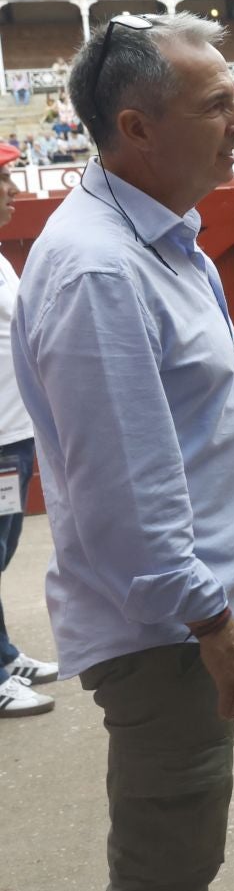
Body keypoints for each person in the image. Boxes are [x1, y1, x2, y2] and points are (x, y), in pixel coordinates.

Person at [13, 11, 234, 891]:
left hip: (172, 623)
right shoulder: (100, 269)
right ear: (136, 127)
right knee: (165, 868)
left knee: (178, 853)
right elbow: (122, 493)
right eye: (217, 105)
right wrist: (210, 620)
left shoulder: (154, 237)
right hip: (165, 633)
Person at [0, 145, 57, 717]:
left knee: (2, 547)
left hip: (11, 431)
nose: (13, 187)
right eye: (3, 178)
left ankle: (4, 653)